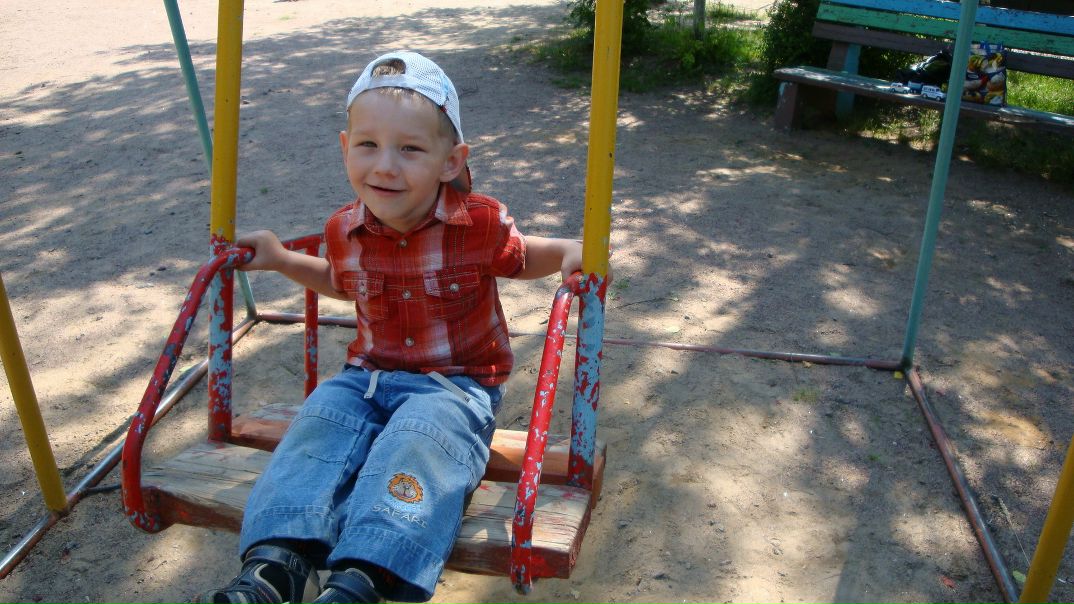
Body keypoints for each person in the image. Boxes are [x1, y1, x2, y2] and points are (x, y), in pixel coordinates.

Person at [197, 51, 589, 604]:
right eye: (368, 145)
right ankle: (274, 565)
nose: (384, 166)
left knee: (420, 440)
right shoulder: (343, 228)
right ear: (345, 148)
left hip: (455, 386)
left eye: (410, 149)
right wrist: (282, 259)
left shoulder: (477, 222)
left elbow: (521, 257)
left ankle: (362, 580)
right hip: (367, 378)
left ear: (450, 162)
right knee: (318, 424)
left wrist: (570, 249)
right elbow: (340, 283)